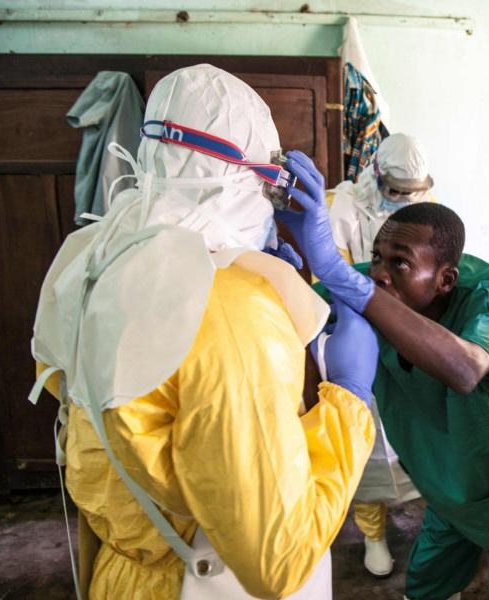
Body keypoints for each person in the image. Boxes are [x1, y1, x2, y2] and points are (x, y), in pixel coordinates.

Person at [29, 65, 377, 599]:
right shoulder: (233, 311)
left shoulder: (89, 258)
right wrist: (349, 402)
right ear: (247, 178)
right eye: (271, 181)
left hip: (123, 571)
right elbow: (276, 561)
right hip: (202, 579)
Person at [277, 160, 489, 600]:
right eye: (377, 258)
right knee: (425, 584)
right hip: (448, 483)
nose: (378, 272)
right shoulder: (380, 284)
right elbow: (296, 307)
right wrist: (276, 259)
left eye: (399, 263)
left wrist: (348, 283)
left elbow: (466, 369)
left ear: (445, 280)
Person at [326, 133, 434, 577]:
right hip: (364, 335)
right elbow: (333, 272)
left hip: (413, 334)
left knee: (420, 438)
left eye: (414, 194)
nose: (404, 201)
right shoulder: (346, 208)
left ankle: (432, 527)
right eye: (396, 193)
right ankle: (372, 534)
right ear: (376, 177)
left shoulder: (432, 208)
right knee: (368, 440)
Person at [329, 132, 435, 264]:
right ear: (376, 174)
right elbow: (332, 276)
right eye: (395, 191)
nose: (404, 199)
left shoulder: (428, 206)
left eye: (411, 193)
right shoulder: (341, 208)